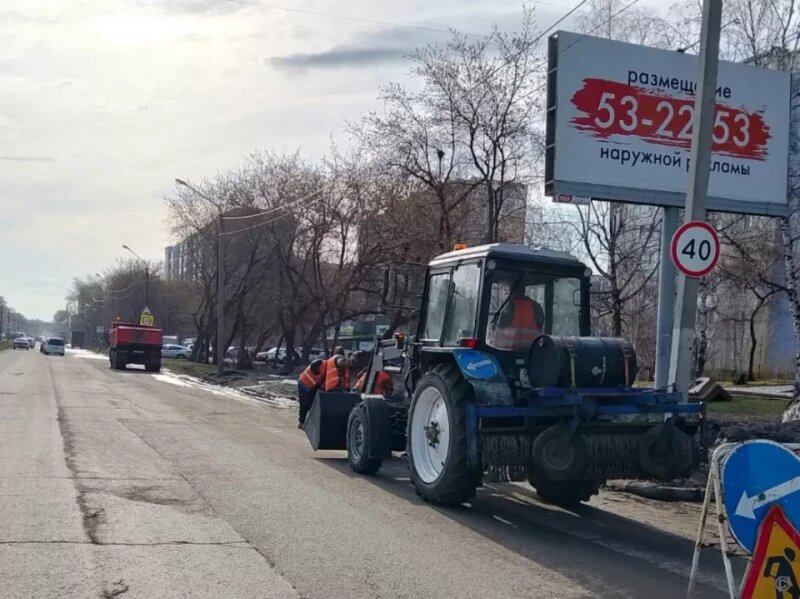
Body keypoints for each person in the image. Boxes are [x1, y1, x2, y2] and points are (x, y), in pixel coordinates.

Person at [489, 286, 544, 351]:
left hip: (508, 352)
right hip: (531, 353)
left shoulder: (509, 307)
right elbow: (541, 327)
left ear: (511, 291)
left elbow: (498, 331)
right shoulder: (536, 306)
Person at [296, 358, 326, 429]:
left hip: (313, 386)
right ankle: (302, 422)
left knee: (312, 404)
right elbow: (313, 367)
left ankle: (311, 423)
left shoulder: (325, 367)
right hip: (304, 384)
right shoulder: (319, 364)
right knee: (304, 404)